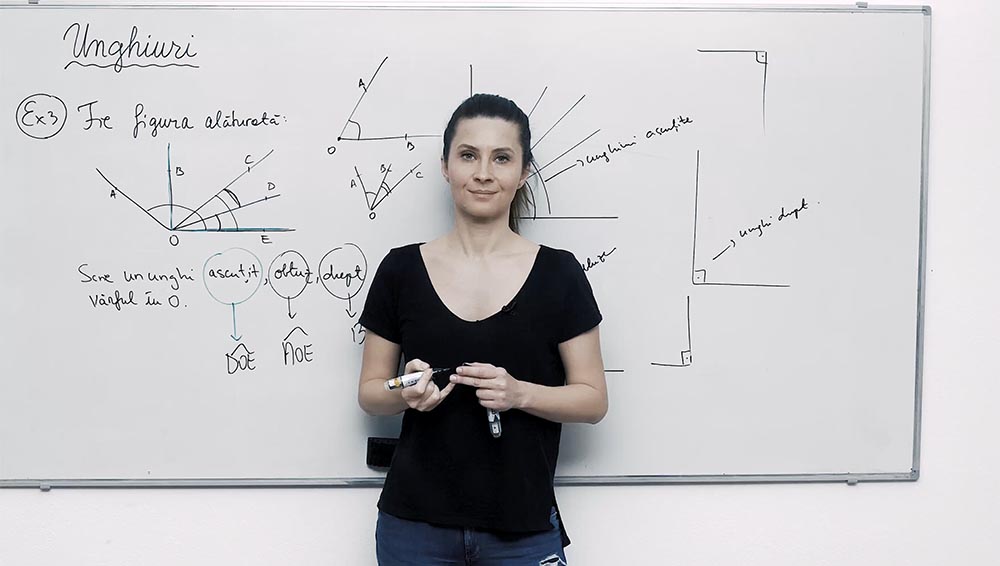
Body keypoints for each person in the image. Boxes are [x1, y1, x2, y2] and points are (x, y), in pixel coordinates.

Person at [357, 93, 607, 565]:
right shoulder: (400, 270)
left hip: (523, 527)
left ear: (524, 172)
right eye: (469, 155)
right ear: (446, 166)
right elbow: (372, 393)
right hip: (413, 527)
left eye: (502, 158)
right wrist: (406, 391)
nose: (484, 173)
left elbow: (593, 400)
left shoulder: (559, 273)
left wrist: (520, 394)